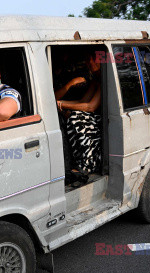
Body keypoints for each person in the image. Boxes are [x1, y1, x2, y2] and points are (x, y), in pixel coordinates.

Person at [55, 51, 102, 184]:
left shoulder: (105, 78)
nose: (89, 62)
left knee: (76, 117)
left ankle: (88, 164)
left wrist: (64, 105)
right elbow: (83, 101)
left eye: (91, 59)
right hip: (91, 115)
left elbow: (90, 107)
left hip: (100, 120)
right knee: (70, 115)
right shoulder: (95, 81)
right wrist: (62, 105)